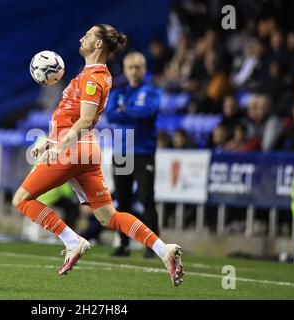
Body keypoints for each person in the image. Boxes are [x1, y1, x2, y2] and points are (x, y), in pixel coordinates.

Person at [12, 24, 184, 286]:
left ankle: (72, 241)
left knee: (22, 199)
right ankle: (164, 249)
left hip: (73, 150)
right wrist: (49, 140)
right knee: (108, 216)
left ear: (99, 44)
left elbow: (85, 121)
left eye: (89, 35)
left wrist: (59, 146)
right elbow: (70, 118)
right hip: (83, 151)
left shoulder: (94, 78)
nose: (82, 37)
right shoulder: (89, 74)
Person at [105, 51, 161, 258]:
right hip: (121, 152)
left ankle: (153, 246)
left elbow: (148, 112)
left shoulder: (152, 92)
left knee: (147, 198)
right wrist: (131, 111)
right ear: (126, 70)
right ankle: (123, 244)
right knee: (122, 200)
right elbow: (110, 115)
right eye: (131, 67)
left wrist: (124, 111)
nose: (135, 71)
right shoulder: (118, 93)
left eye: (138, 67)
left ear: (144, 70)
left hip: (143, 152)